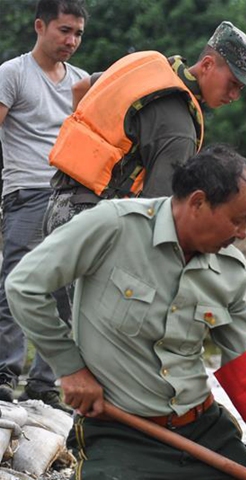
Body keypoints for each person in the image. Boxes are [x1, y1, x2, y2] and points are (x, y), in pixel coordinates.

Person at [6, 144, 246, 479]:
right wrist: (71, 369)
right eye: (237, 221)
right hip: (119, 432)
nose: (243, 234)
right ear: (198, 202)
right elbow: (24, 286)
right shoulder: (113, 226)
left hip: (204, 433)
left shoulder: (232, 272)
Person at [45, 20, 246, 233]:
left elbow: (79, 88)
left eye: (241, 89)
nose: (234, 95)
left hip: (57, 206)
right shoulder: (181, 129)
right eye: (232, 83)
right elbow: (158, 211)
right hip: (94, 222)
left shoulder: (144, 67)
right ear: (207, 65)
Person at [0, 0, 88, 411]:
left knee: (65, 291)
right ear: (40, 26)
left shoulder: (82, 81)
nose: (71, 41)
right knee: (16, 281)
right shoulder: (12, 74)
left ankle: (44, 381)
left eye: (78, 34)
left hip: (70, 194)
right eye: (64, 30)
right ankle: (6, 370)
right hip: (26, 190)